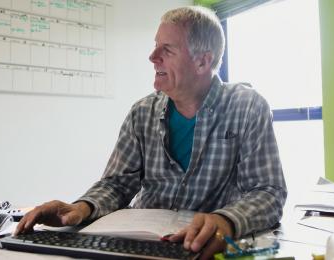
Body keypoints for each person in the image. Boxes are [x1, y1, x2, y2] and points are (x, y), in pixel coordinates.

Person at [16, 6, 287, 259]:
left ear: (203, 62)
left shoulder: (248, 106)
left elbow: (268, 191)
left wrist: (226, 221)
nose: (152, 57)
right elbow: (116, 184)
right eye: (155, 46)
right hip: (139, 242)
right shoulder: (141, 112)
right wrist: (80, 208)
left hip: (203, 245)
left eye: (167, 50)